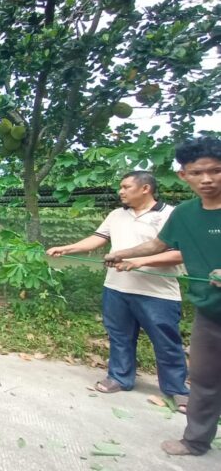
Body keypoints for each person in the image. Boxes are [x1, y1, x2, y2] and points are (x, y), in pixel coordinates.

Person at [104, 137, 221, 457]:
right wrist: (124, 254)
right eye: (198, 173)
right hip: (211, 312)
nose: (207, 179)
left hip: (164, 296)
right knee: (205, 379)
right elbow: (158, 245)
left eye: (216, 171)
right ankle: (196, 441)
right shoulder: (184, 214)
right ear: (184, 175)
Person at [47, 171, 189, 409]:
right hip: (116, 287)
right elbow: (98, 238)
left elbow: (180, 253)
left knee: (166, 341)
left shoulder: (171, 214)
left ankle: (176, 389)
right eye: (120, 187)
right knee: (119, 336)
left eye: (126, 187)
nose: (120, 191)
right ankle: (120, 378)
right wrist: (67, 248)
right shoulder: (116, 215)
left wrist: (140, 262)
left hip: (158, 292)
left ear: (145, 188)